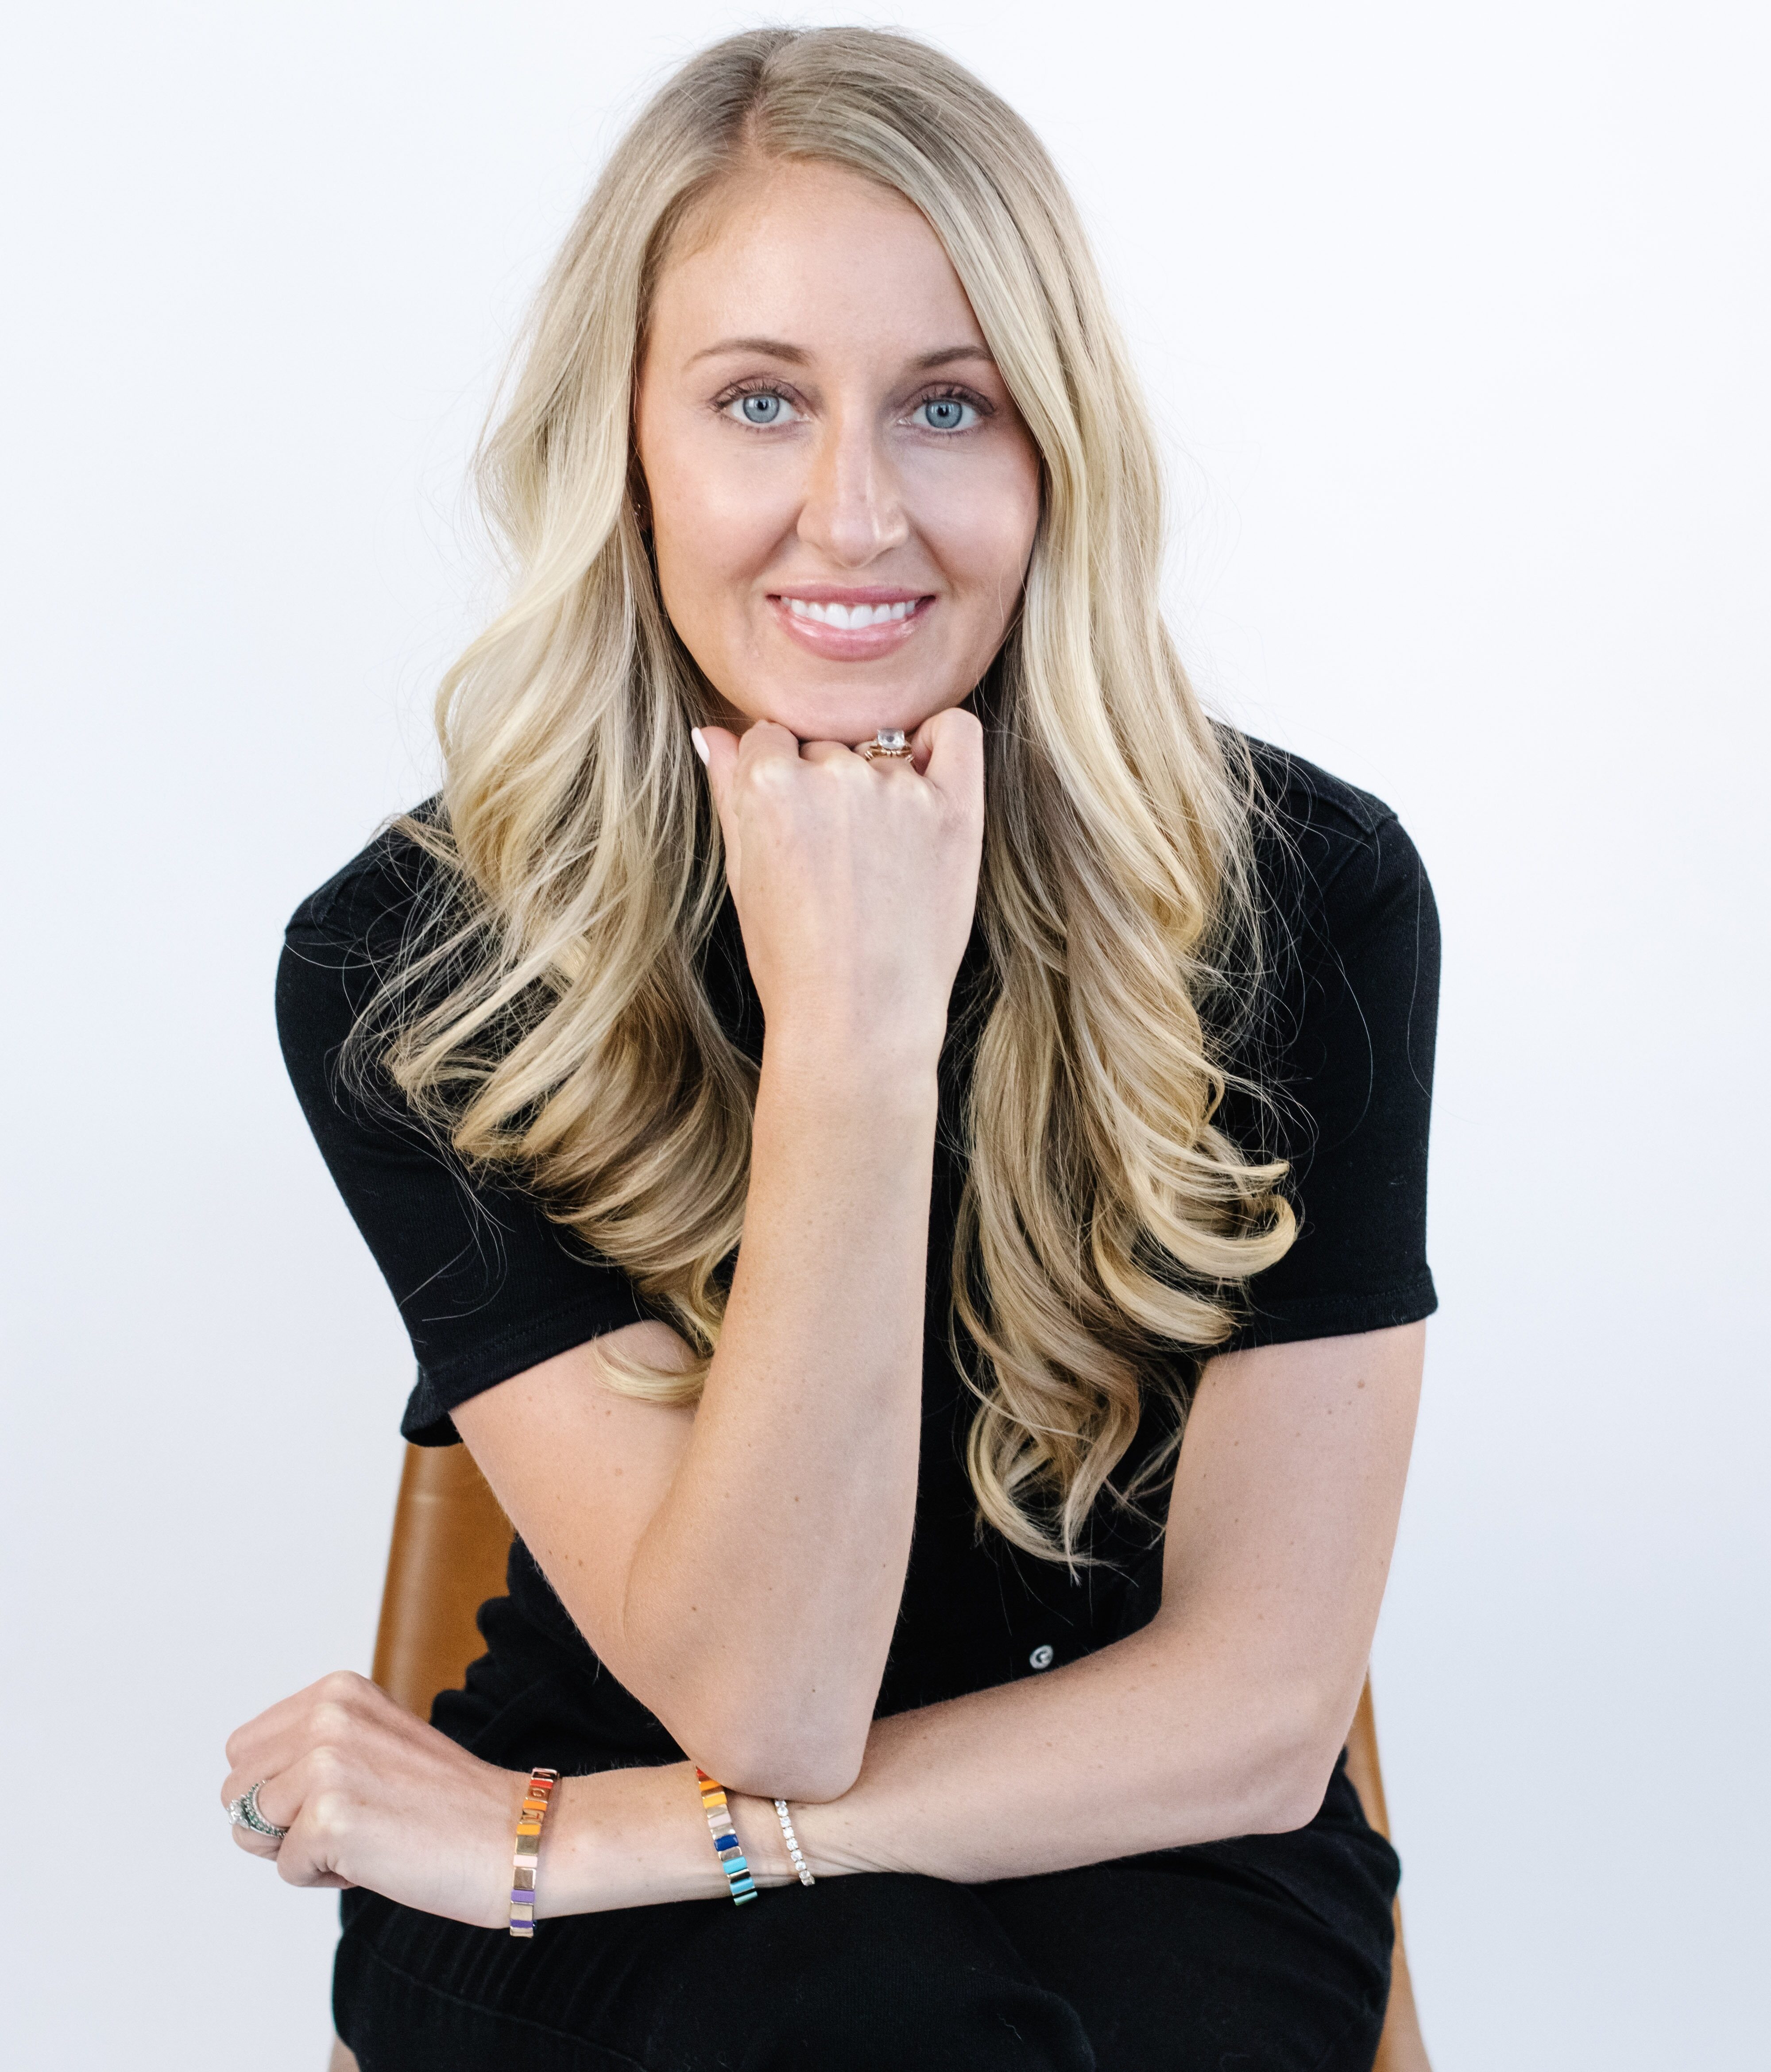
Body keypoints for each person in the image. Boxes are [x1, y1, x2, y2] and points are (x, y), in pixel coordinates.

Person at [222, 26, 1440, 2071]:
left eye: (948, 405)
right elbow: (767, 1704)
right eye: (759, 401)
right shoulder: (420, 964)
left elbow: (1248, 1715)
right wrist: (855, 1037)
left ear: (1054, 454)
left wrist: (588, 1844)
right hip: (608, 1841)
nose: (853, 514)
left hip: (1110, 1821)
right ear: (626, 445)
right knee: (862, 2020)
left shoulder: (1300, 890)